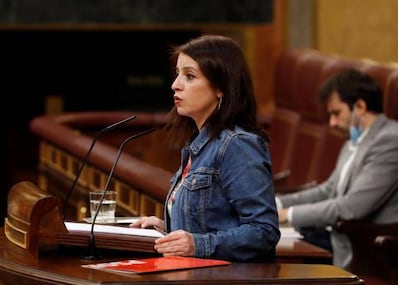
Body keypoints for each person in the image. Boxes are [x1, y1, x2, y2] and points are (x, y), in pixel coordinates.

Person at [130, 34, 280, 262]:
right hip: (195, 279)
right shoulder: (197, 145)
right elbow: (209, 222)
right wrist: (165, 232)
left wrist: (196, 244)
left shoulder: (237, 145)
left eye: (189, 76)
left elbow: (264, 231)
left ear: (221, 87)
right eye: (177, 74)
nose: (175, 85)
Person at [276, 68, 398, 270]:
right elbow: (328, 190)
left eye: (336, 113)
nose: (332, 123)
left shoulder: (390, 141)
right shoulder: (356, 138)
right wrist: (276, 203)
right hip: (334, 237)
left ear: (359, 106)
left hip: (367, 252)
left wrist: (287, 215)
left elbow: (352, 207)